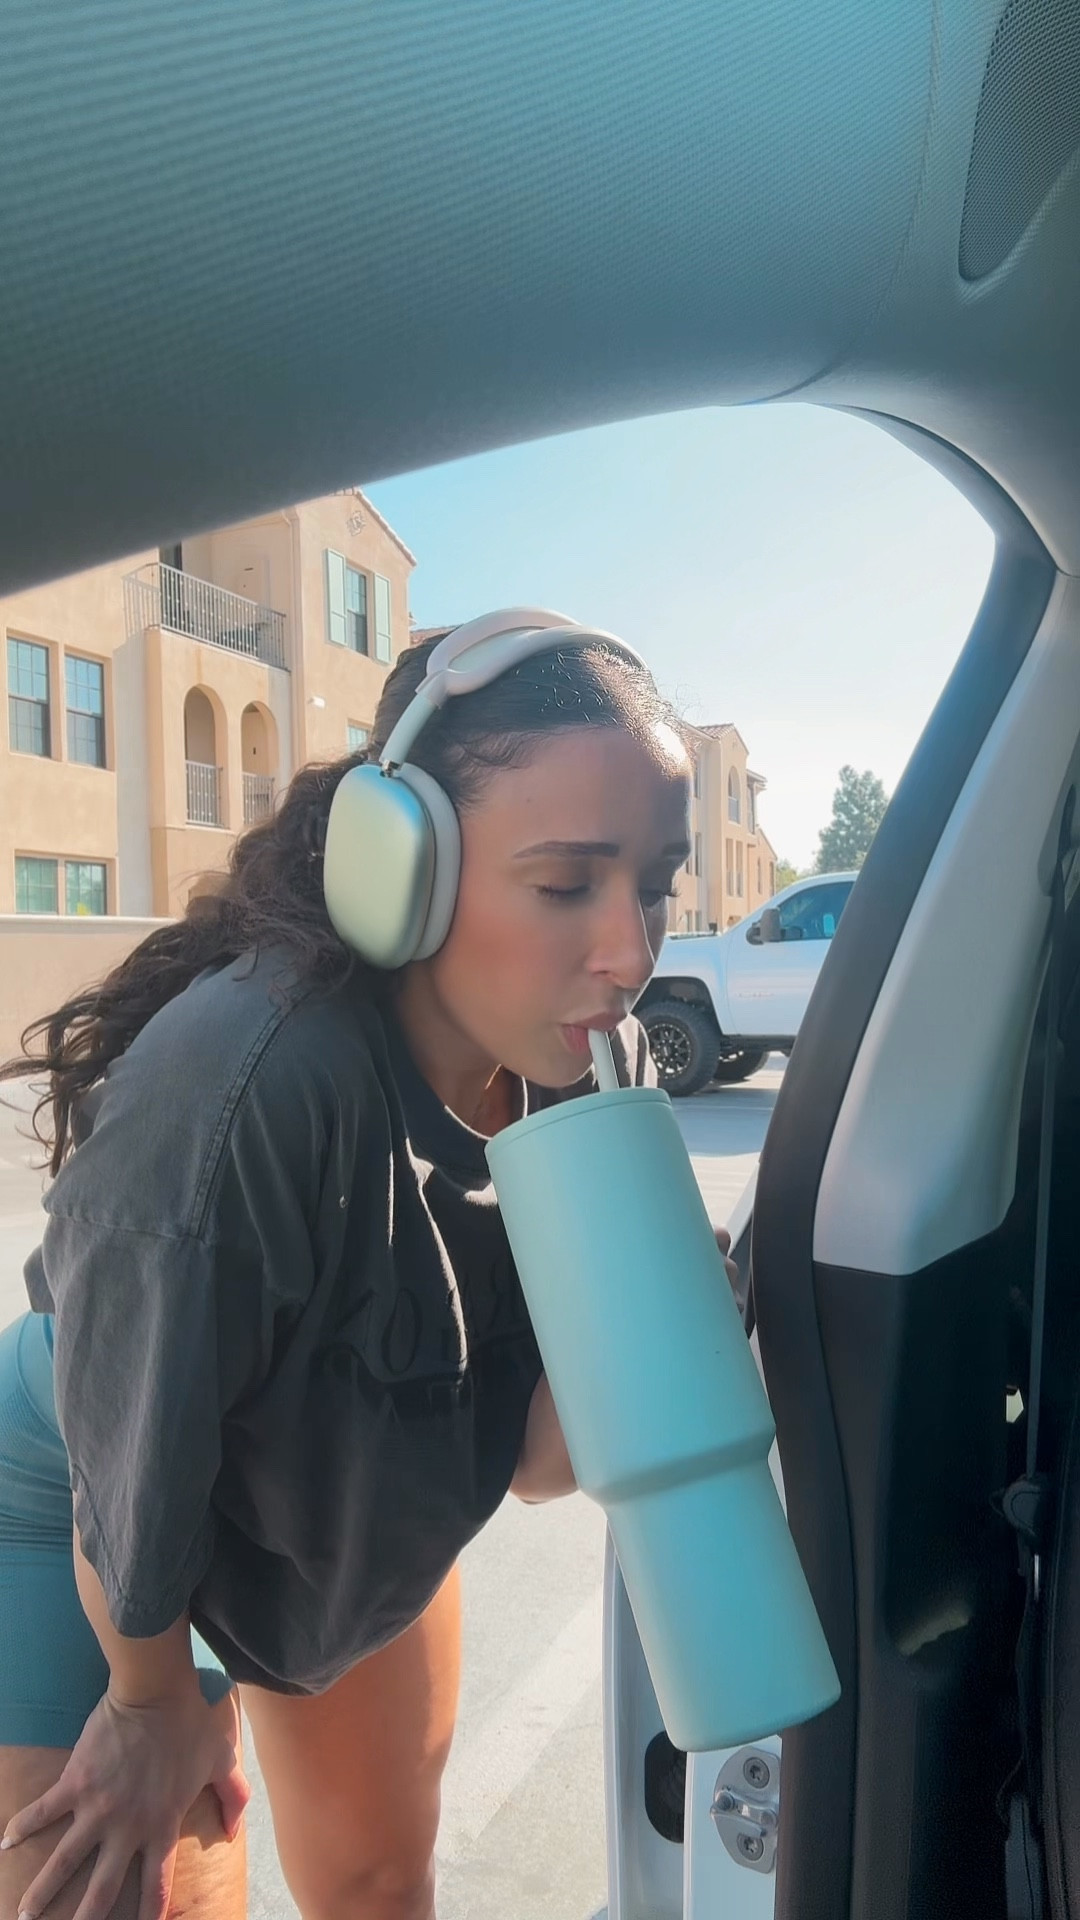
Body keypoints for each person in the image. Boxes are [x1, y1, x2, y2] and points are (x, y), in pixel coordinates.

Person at [0, 611, 734, 1920]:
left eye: (657, 883)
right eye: (567, 883)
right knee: (108, 1897)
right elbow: (129, 1426)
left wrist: (672, 1323)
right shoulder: (250, 1078)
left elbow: (533, 1457)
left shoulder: (570, 1077)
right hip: (93, 1486)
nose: (631, 953)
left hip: (324, 1472)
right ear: (409, 868)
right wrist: (157, 1698)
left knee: (380, 1885)